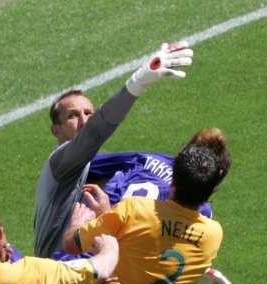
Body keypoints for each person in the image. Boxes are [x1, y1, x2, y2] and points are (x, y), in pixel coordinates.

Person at [63, 128, 232, 284]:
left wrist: (83, 221)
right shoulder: (212, 234)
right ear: (211, 192)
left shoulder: (134, 210)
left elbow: (73, 245)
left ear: (173, 180)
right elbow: (163, 257)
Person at [34, 41, 194, 258]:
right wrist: (137, 83)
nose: (84, 120)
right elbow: (95, 132)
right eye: (72, 115)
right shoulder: (60, 164)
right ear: (56, 131)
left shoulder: (92, 169)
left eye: (88, 113)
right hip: (55, 282)